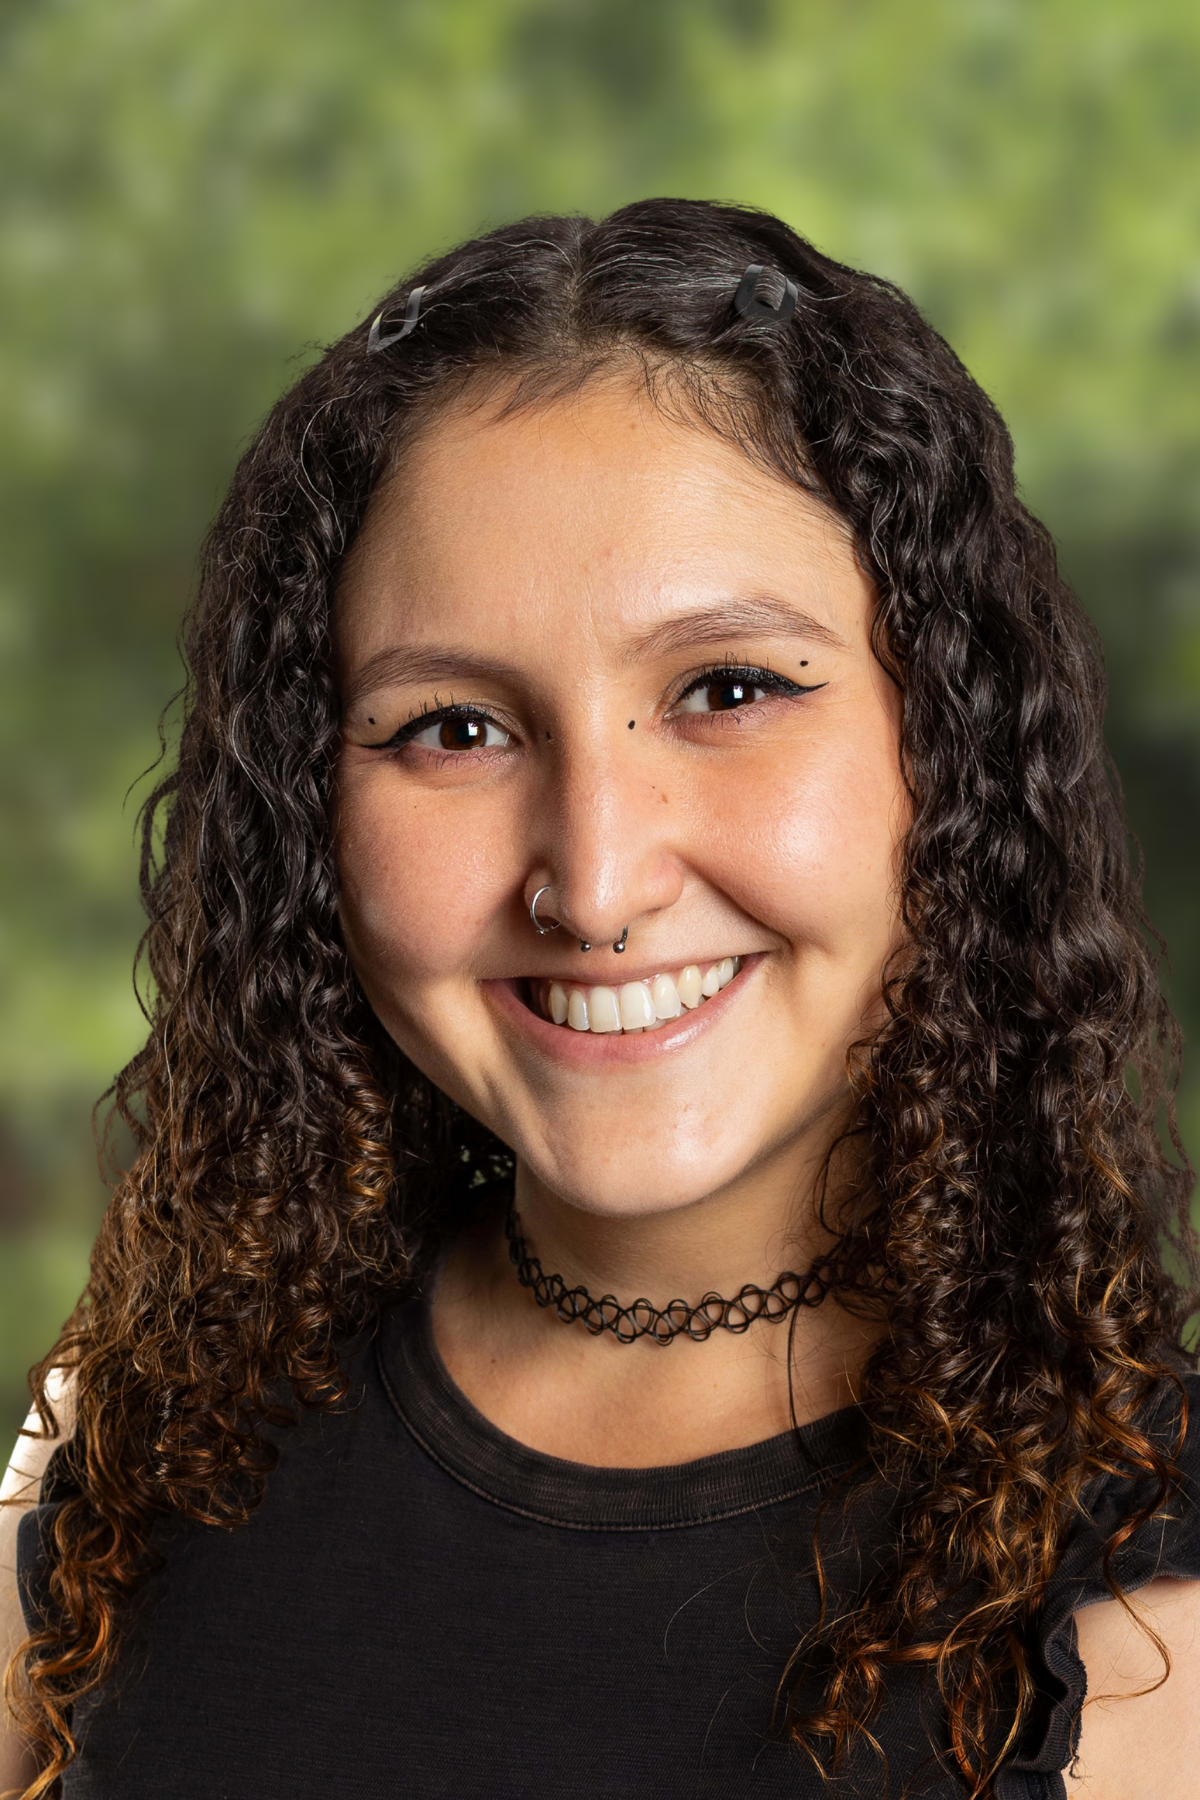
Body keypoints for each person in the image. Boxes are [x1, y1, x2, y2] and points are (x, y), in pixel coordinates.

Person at [1, 198, 1198, 1800]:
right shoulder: (129, 1454)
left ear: (951, 757)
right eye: (453, 729)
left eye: (728, 691)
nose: (596, 879)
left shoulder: (1155, 1626)